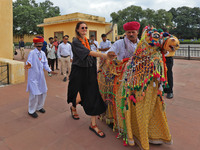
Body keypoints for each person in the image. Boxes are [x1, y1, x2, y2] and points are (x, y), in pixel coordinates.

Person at [67, 21, 114, 138]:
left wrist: (97, 68)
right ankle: (73, 108)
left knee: (94, 96)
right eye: (82, 27)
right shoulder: (75, 42)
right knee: (77, 98)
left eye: (86, 27)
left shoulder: (87, 41)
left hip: (89, 72)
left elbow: (91, 57)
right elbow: (88, 53)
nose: (84, 29)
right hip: (78, 72)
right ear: (77, 29)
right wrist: (104, 55)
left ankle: (93, 125)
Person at [25, 36, 56, 118]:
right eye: (38, 44)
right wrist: (28, 65)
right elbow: (28, 62)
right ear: (35, 44)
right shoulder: (32, 53)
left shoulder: (42, 53)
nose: (39, 45)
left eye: (41, 44)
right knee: (34, 94)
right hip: (33, 76)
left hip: (41, 76)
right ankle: (31, 110)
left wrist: (49, 70)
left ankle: (39, 107)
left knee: (43, 91)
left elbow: (45, 64)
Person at [163, 28, 174, 99]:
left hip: (168, 58)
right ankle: (164, 89)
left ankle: (170, 91)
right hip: (160, 58)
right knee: (162, 74)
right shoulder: (159, 38)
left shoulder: (171, 39)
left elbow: (174, 47)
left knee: (168, 74)